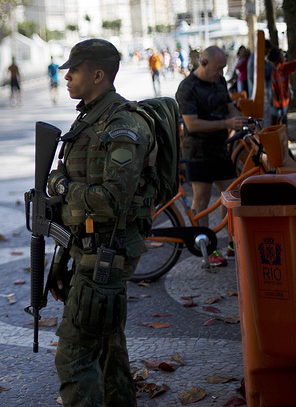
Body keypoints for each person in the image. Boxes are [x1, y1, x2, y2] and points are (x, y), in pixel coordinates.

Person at [46, 39, 153, 407]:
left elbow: (111, 200)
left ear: (98, 74)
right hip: (88, 250)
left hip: (108, 252)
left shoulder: (123, 124)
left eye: (73, 70)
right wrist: (61, 264)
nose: (67, 76)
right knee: (108, 347)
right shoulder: (88, 118)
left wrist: (62, 185)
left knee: (73, 356)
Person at [175, 46, 248, 261]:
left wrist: (241, 120)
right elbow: (192, 124)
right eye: (218, 69)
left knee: (233, 196)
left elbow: (229, 107)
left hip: (219, 148)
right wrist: (227, 123)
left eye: (223, 69)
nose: (220, 73)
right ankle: (206, 247)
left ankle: (233, 242)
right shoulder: (187, 87)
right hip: (198, 151)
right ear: (203, 63)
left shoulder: (220, 82)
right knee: (202, 200)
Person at [268, 48, 296, 126]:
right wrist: (276, 101)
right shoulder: (270, 70)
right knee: (275, 125)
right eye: (281, 55)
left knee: (284, 124)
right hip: (275, 104)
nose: (284, 56)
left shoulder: (284, 67)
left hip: (284, 103)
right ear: (277, 57)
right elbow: (270, 88)